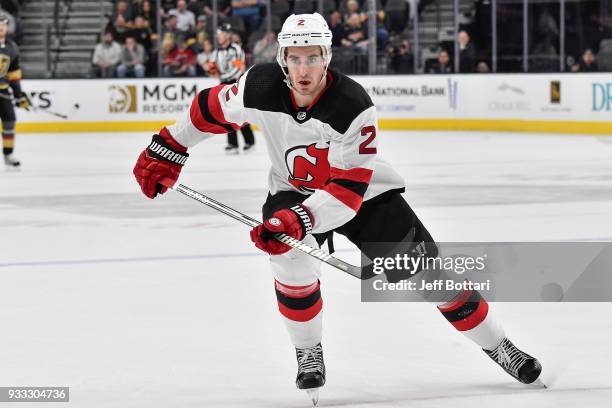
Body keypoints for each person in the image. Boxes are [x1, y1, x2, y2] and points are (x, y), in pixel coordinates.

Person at [133, 12, 543, 405]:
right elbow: (209, 108)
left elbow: (347, 193)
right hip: (291, 191)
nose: (304, 68)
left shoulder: (353, 105)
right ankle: (308, 351)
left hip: (364, 194)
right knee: (290, 263)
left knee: (430, 277)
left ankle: (500, 345)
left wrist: (301, 220)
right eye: (295, 58)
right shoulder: (257, 85)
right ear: (283, 60)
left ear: (327, 57)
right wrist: (170, 145)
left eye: (313, 57)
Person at [206, 23, 255, 153]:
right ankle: (232, 144)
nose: (218, 37)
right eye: (218, 35)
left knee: (239, 112)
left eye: (221, 35)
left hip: (235, 83)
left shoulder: (236, 49)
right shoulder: (216, 52)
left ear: (227, 35)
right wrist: (212, 70)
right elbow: (211, 70)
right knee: (227, 114)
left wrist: (222, 75)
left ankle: (249, 141)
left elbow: (239, 69)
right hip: (223, 84)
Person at [0, 14, 30, 169]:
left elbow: (14, 73)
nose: (1, 27)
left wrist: (18, 94)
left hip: (3, 92)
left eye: (3, 24)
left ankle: (8, 154)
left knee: (9, 121)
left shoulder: (11, 47)